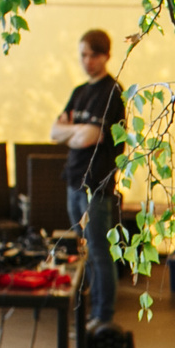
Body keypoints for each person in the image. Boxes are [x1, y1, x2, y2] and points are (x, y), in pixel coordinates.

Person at [53, 28, 126, 330]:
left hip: (96, 184)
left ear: (106, 56)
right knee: (85, 249)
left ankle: (103, 315)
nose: (87, 61)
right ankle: (93, 310)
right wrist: (75, 133)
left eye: (93, 55)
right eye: (83, 55)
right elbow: (55, 132)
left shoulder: (113, 92)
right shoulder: (80, 91)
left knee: (98, 250)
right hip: (73, 179)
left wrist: (75, 132)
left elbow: (92, 136)